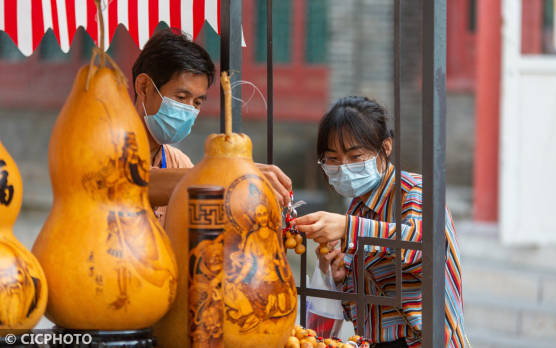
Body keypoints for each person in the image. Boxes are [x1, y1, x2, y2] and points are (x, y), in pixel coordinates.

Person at [293, 97, 469, 348]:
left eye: (355, 157)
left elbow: (421, 245)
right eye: (333, 159)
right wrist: (340, 276)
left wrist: (347, 227)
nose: (344, 168)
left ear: (385, 148)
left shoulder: (415, 191)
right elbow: (365, 303)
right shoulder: (358, 207)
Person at [131, 29, 292, 225]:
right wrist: (231, 174)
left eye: (197, 102)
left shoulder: (179, 162)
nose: (189, 110)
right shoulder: (105, 146)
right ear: (144, 86)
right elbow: (135, 182)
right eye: (181, 98)